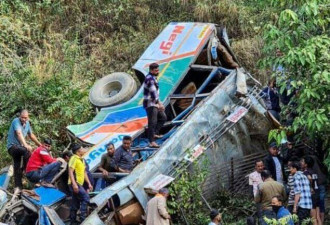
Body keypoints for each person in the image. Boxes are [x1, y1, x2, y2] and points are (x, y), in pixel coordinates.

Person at [7, 109, 41, 189]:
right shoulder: (16, 121)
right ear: (20, 116)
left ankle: (18, 188)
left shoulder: (27, 124)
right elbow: (19, 133)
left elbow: (31, 135)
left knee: (17, 168)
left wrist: (40, 145)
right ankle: (27, 170)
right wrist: (26, 145)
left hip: (19, 148)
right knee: (27, 151)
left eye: (25, 118)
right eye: (22, 117)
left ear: (28, 117)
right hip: (13, 147)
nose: (23, 119)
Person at [143, 63, 167, 148]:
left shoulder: (153, 78)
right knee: (152, 122)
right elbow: (153, 94)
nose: (158, 72)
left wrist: (158, 103)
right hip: (151, 104)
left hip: (154, 103)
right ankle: (151, 141)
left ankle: (154, 133)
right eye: (156, 70)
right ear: (151, 70)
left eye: (158, 70)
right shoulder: (150, 79)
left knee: (163, 118)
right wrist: (159, 104)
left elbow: (156, 93)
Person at [68, 143, 93, 224]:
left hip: (79, 184)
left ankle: (73, 221)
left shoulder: (82, 159)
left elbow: (84, 173)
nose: (83, 150)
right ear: (78, 151)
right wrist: (74, 184)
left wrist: (89, 183)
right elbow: (70, 171)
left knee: (75, 203)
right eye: (82, 148)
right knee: (86, 198)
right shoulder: (74, 158)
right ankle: (83, 219)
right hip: (75, 183)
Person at [301, 156, 322, 225]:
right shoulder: (314, 171)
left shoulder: (306, 172)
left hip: (312, 196)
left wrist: (310, 186)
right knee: (318, 217)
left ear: (306, 164)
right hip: (317, 193)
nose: (301, 163)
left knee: (313, 218)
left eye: (302, 161)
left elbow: (309, 178)